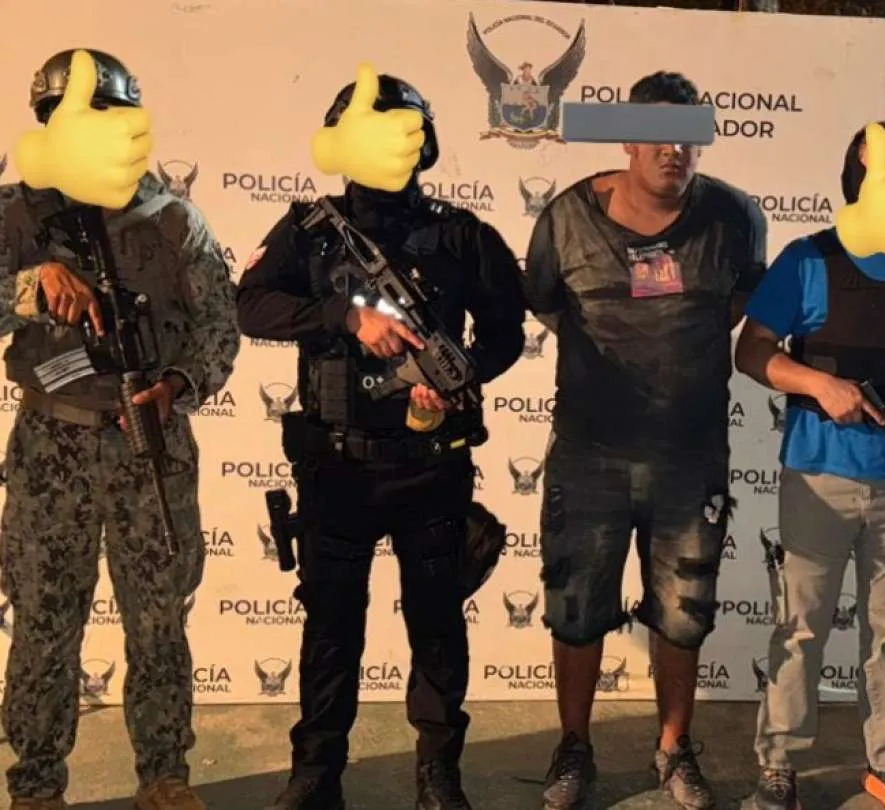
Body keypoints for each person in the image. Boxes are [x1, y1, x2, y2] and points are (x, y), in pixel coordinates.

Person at [235, 73, 526, 810]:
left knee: (437, 626)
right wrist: (344, 316)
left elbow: (504, 334)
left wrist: (457, 381)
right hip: (337, 465)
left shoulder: (462, 235)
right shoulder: (311, 231)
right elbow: (251, 306)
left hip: (430, 466)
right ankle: (316, 774)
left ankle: (438, 773)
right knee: (331, 629)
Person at [0, 49, 240, 810]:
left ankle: (163, 776)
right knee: (43, 623)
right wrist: (30, 286)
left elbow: (219, 327)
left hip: (150, 444)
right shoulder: (15, 214)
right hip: (52, 444)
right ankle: (36, 785)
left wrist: (180, 385)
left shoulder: (172, 219)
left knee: (160, 621)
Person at [522, 70, 767, 810]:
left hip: (689, 460)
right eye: (657, 134)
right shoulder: (566, 219)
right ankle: (573, 747)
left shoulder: (736, 218)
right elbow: (548, 305)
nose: (673, 150)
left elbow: (735, 307)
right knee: (576, 610)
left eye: (688, 135)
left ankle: (674, 747)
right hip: (588, 455)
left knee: (683, 614)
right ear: (625, 139)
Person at [734, 121, 885, 810]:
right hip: (818, 477)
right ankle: (779, 764)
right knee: (800, 630)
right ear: (857, 180)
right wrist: (819, 384)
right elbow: (751, 351)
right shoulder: (807, 259)